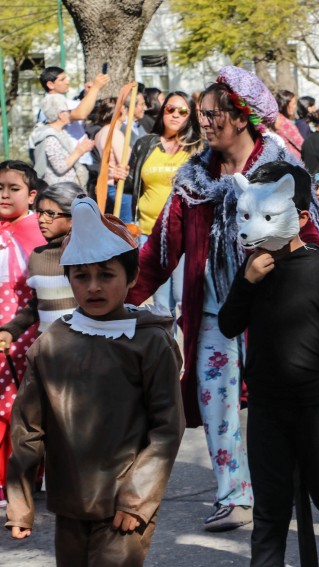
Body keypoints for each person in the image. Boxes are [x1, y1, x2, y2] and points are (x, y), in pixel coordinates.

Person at [126, 66, 299, 532]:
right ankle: (233, 495)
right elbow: (162, 246)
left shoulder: (281, 170)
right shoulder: (193, 177)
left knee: (274, 401)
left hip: (272, 314)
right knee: (216, 400)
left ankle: (279, 487)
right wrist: (121, 298)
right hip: (213, 313)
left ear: (241, 117)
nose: (203, 122)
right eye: (200, 113)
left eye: (211, 113)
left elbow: (311, 240)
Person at [4, 196, 184, 565]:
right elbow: (28, 429)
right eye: (81, 276)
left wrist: (137, 499)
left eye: (106, 274)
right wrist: (20, 504)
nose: (94, 287)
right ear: (68, 278)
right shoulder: (51, 344)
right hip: (69, 502)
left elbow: (167, 427)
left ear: (132, 277)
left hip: (125, 504)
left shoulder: (150, 341)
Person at [218, 162, 319, 566]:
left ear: (300, 217)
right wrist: (247, 281)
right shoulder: (253, 267)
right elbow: (229, 323)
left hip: (313, 405)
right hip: (268, 408)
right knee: (270, 507)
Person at [117, 91, 202, 316]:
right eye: (170, 109)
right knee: (161, 305)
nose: (175, 115)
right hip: (149, 233)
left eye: (183, 111)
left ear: (191, 115)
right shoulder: (146, 144)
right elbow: (130, 187)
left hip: (185, 236)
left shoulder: (198, 148)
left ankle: (187, 349)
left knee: (185, 300)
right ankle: (167, 350)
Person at [0, 162, 46, 508]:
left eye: (13, 188)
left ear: (31, 195)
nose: (4, 194)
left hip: (27, 332)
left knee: (26, 409)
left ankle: (28, 477)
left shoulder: (38, 233)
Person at [0, 182, 80, 346]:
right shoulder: (37, 256)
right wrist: (11, 330)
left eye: (50, 214)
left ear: (74, 218)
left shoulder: (87, 256)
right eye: (40, 213)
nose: (42, 219)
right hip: (47, 350)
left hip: (83, 349)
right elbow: (38, 303)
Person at [32, 66, 109, 168]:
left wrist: (89, 93)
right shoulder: (50, 105)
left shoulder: (63, 102)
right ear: (50, 84)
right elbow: (80, 114)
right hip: (68, 165)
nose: (67, 82)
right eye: (62, 79)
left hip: (79, 161)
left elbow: (81, 108)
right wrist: (95, 88)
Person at [31, 95, 95, 187]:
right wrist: (79, 151)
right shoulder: (50, 137)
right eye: (68, 111)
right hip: (59, 190)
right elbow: (60, 167)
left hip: (67, 188)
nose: (70, 113)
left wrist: (81, 148)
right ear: (60, 115)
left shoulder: (61, 132)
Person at [274, 89, 304, 160]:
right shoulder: (284, 122)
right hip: (293, 162)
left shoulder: (274, 119)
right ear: (285, 104)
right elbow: (302, 145)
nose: (294, 107)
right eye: (293, 104)